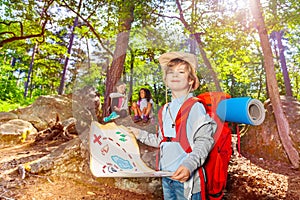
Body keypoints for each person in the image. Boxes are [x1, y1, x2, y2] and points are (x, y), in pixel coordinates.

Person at [129, 52, 217, 200]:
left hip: (186, 180)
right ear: (166, 79)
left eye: (181, 72)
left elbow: (204, 141)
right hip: (166, 175)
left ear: (190, 80)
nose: (175, 75)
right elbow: (162, 140)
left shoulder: (195, 107)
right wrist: (139, 134)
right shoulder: (165, 109)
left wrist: (189, 165)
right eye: (170, 72)